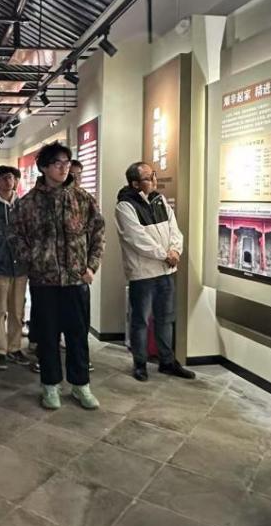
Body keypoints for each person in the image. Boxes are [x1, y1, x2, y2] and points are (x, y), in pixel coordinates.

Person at [14, 142, 105, 411]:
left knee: (78, 336)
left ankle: (80, 385)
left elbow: (98, 233)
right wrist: (33, 261)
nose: (64, 168)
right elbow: (15, 236)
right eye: (57, 163)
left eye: (67, 163)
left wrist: (91, 266)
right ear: (44, 167)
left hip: (77, 280)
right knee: (48, 337)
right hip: (45, 282)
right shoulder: (28, 203)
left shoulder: (82, 199)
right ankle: (50, 385)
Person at [115, 163, 195, 381]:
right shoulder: (125, 206)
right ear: (135, 183)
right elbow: (136, 238)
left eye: (154, 175)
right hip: (143, 273)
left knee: (166, 318)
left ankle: (167, 361)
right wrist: (164, 254)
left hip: (166, 271)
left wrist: (175, 250)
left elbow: (174, 229)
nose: (154, 180)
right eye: (149, 177)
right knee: (140, 320)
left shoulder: (160, 200)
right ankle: (140, 364)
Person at [0, 165, 30, 370]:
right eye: (2, 178)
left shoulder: (22, 205)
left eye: (10, 177)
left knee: (17, 311)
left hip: (20, 267)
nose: (7, 181)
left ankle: (15, 347)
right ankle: (0, 350)